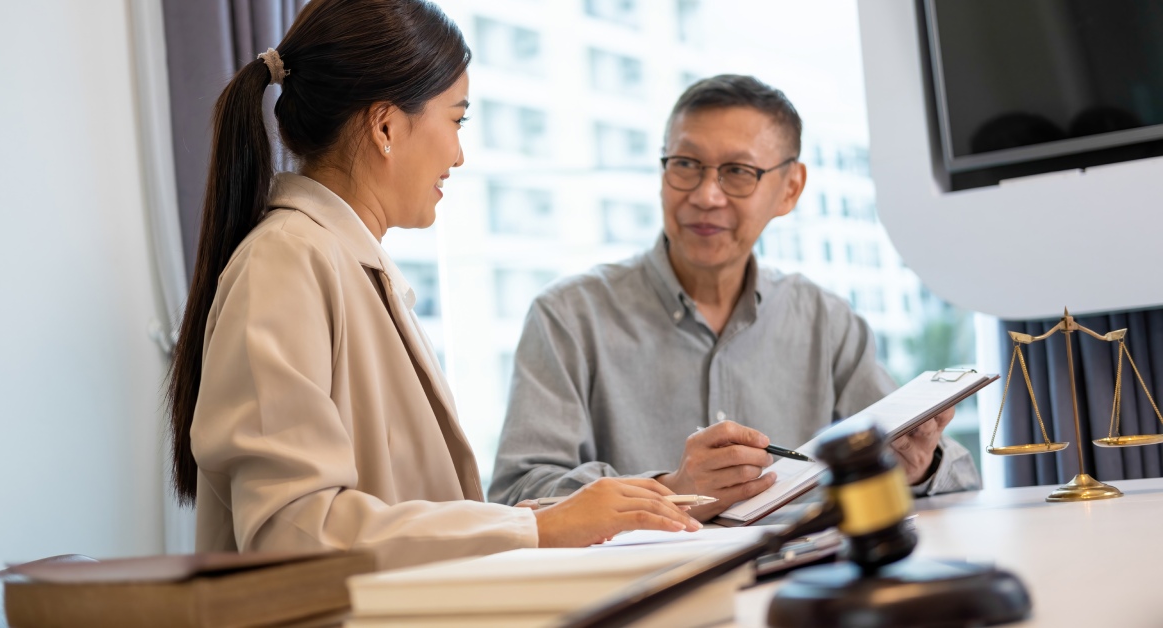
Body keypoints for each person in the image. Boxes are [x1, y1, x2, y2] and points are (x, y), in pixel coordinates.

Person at [166, 0, 700, 572]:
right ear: (386, 126)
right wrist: (538, 526)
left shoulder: (345, 265)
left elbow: (419, 512)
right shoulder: (286, 262)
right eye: (456, 119)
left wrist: (572, 513)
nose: (459, 153)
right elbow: (293, 532)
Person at [488, 75, 980, 521]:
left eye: (737, 172)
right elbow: (517, 496)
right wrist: (671, 490)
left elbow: (958, 483)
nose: (706, 195)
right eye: (686, 165)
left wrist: (919, 467)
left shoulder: (825, 322)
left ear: (790, 188)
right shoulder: (569, 316)